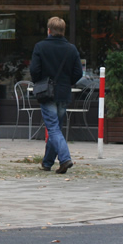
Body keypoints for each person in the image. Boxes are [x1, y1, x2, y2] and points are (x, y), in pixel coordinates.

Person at [29, 16, 83, 174]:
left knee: (52, 128)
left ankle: (65, 159)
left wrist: (40, 81)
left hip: (46, 93)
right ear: (63, 31)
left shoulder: (40, 47)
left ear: (49, 30)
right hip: (64, 92)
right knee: (56, 128)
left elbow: (34, 70)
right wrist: (67, 82)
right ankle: (47, 163)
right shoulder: (71, 49)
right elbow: (78, 72)